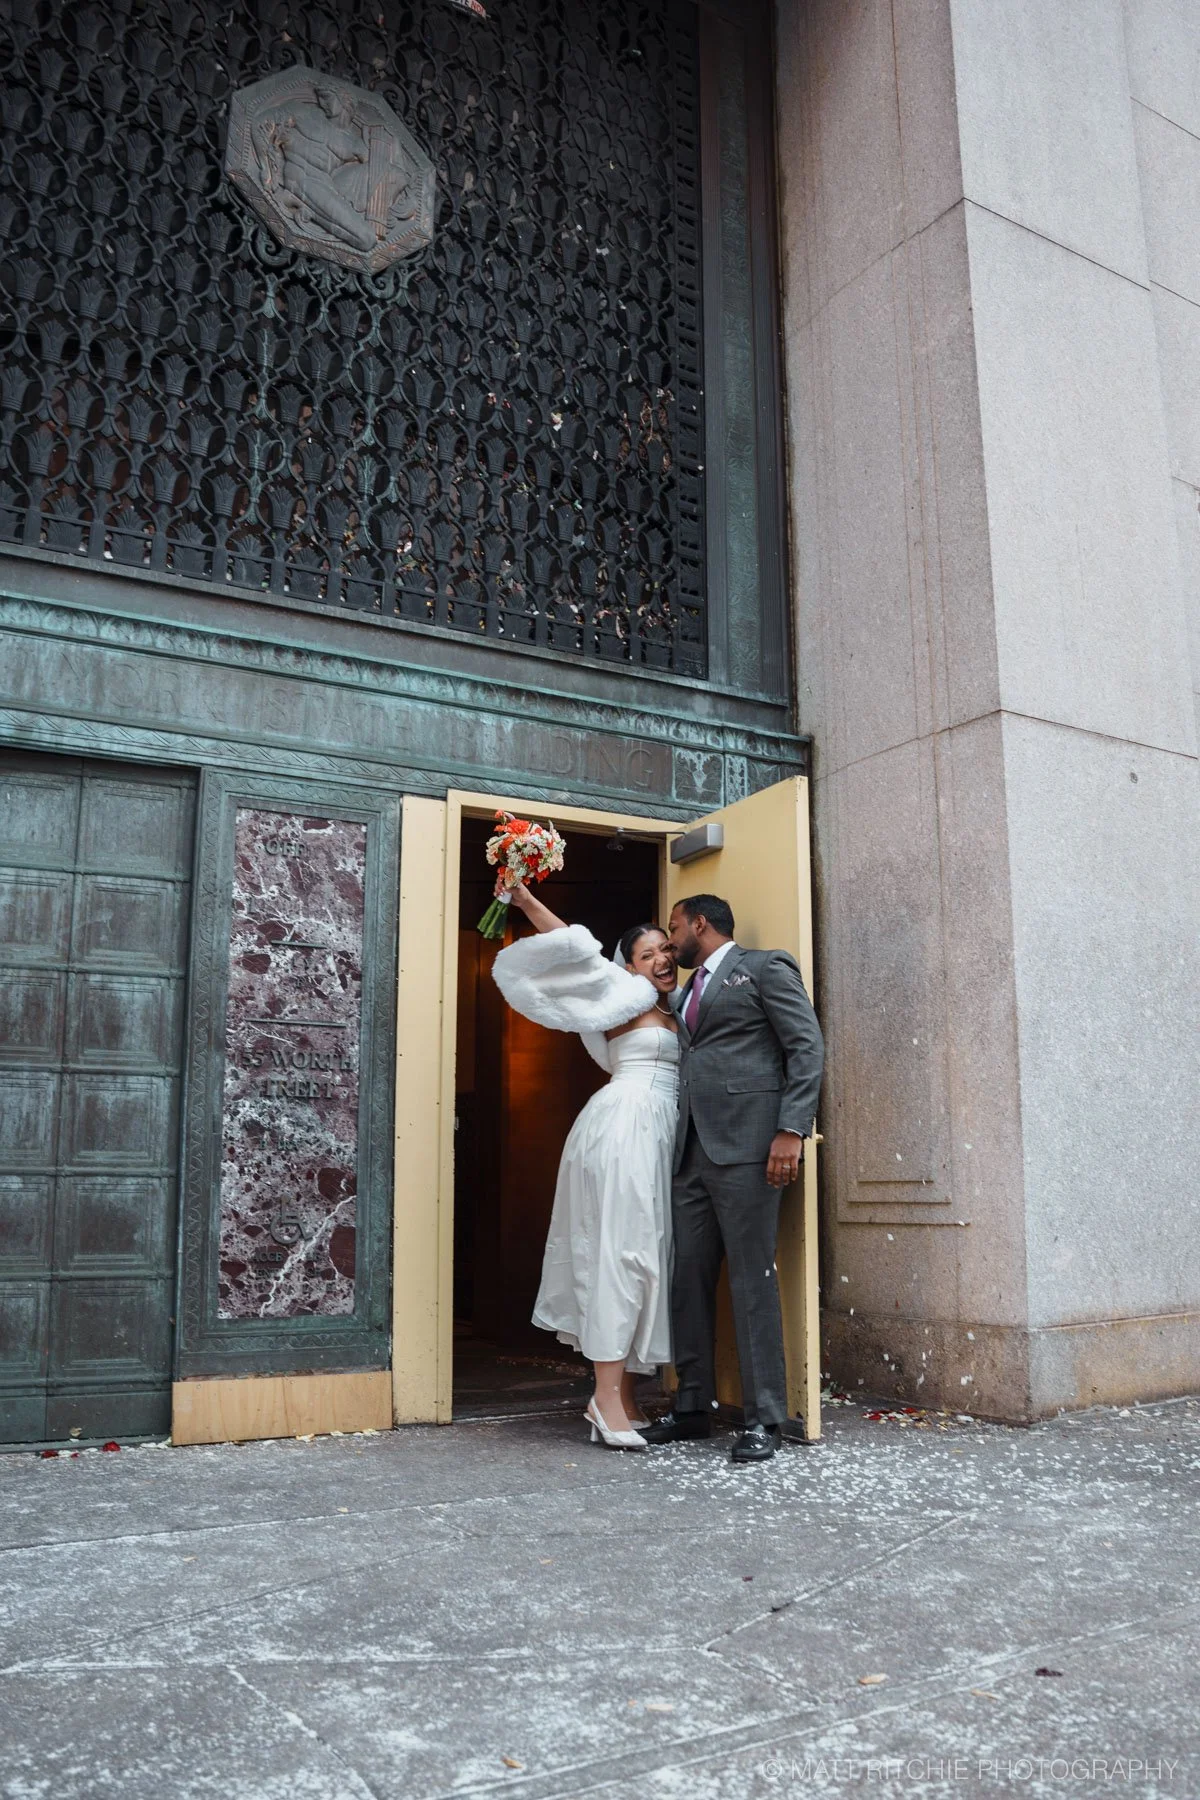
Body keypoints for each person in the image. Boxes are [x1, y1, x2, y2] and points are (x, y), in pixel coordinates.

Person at [490, 884, 680, 1451]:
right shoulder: (619, 992)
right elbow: (574, 949)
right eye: (648, 955)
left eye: (666, 949)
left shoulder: (678, 1007)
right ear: (629, 965)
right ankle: (603, 1397)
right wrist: (524, 900)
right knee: (619, 1254)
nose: (662, 960)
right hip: (624, 1128)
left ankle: (625, 1395)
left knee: (651, 1257)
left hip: (661, 1133)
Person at [639, 894, 824, 1463]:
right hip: (691, 1152)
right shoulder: (686, 992)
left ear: (700, 923)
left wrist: (791, 1130)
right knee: (686, 1278)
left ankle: (765, 1416)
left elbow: (805, 1045)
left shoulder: (766, 968)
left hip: (750, 1149)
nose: (670, 944)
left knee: (751, 1281)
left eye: (673, 929)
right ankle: (692, 1406)